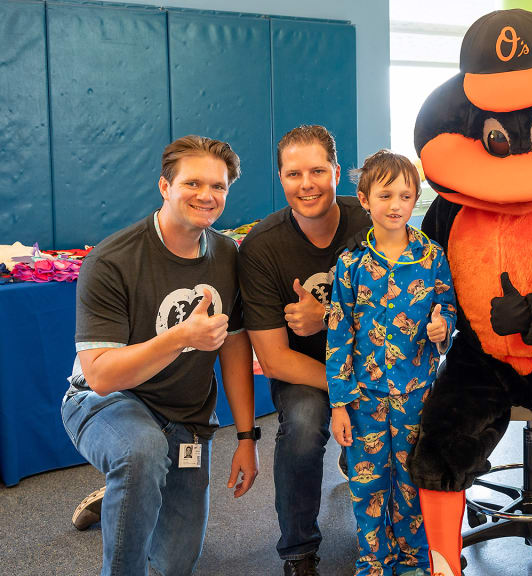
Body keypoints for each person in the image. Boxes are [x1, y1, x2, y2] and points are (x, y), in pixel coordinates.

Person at [61, 135, 258, 576]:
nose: (207, 196)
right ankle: (132, 478)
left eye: (219, 186)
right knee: (142, 451)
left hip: (185, 417)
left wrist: (247, 438)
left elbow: (234, 345)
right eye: (192, 183)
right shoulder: (112, 260)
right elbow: (101, 377)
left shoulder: (226, 254)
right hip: (105, 402)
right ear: (164, 187)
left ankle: (130, 487)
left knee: (173, 566)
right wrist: (180, 336)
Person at [238, 125, 371, 576]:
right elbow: (274, 359)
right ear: (281, 179)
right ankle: (298, 549)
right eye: (294, 173)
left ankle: (405, 530)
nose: (307, 183)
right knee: (303, 423)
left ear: (337, 172)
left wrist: (328, 318)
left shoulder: (372, 221)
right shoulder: (261, 248)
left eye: (318, 170)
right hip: (304, 369)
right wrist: (347, 390)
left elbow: (401, 313)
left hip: (373, 360)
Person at [326, 149, 456, 576]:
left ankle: (414, 561)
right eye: (385, 195)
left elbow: (447, 310)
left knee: (411, 483)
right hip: (364, 399)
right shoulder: (350, 265)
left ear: (416, 198)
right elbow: (339, 337)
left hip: (415, 395)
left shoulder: (433, 257)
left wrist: (442, 329)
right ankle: (373, 563)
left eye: (405, 195)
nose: (395, 204)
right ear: (364, 199)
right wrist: (340, 404)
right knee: (367, 486)